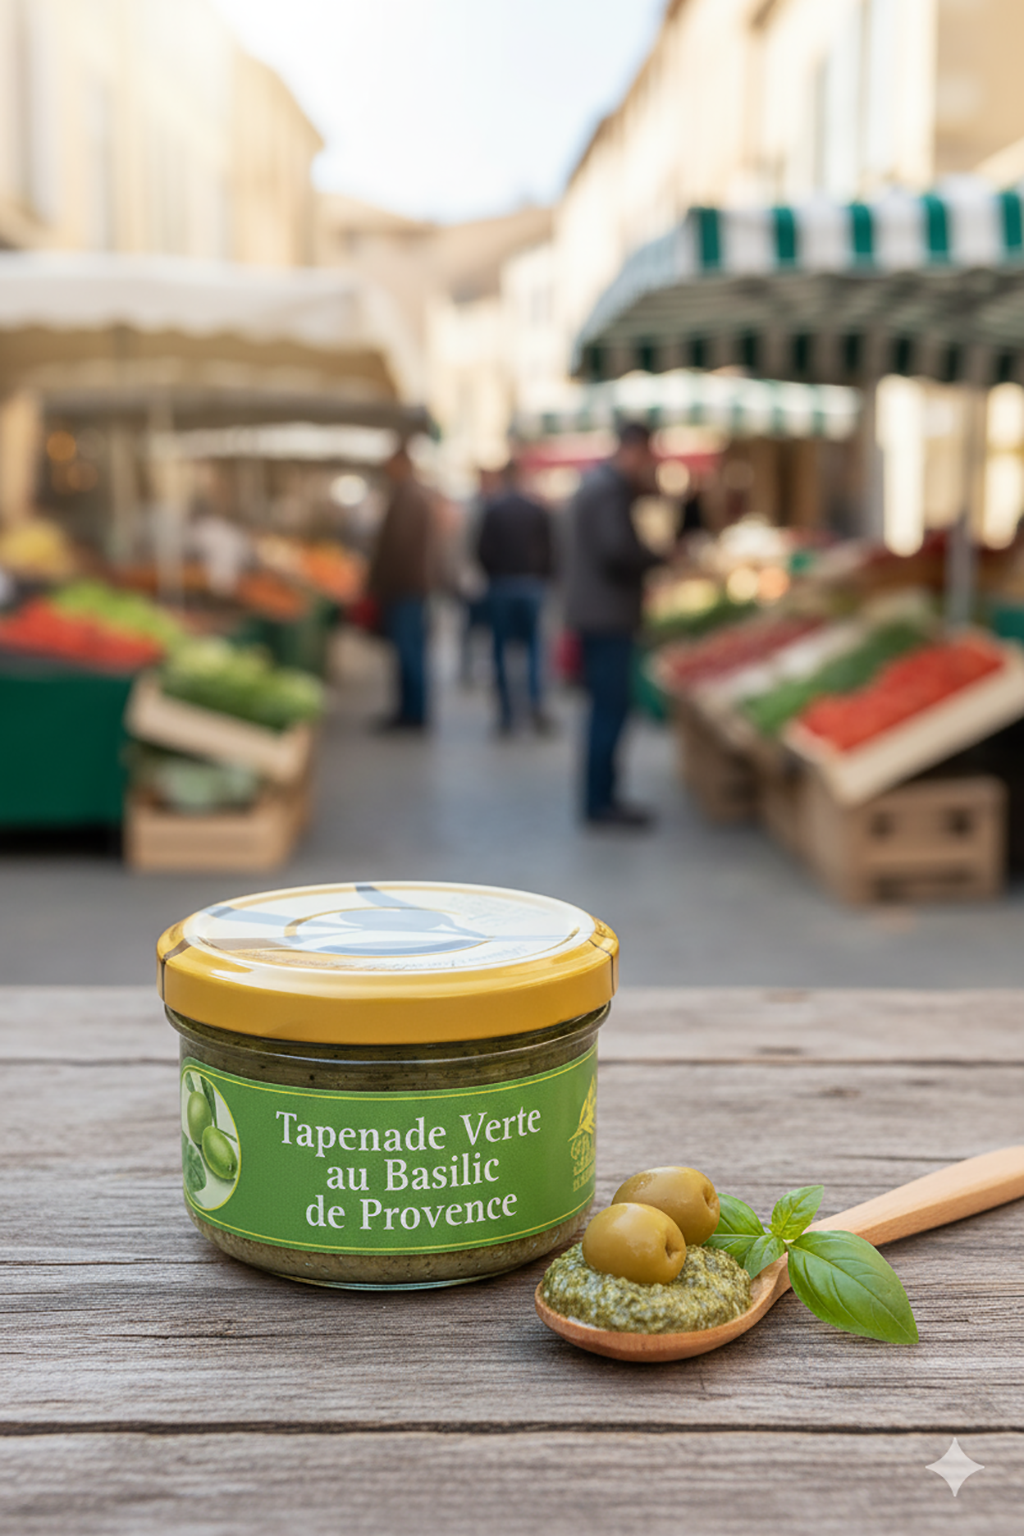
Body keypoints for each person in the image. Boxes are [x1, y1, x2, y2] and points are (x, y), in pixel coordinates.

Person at [563, 422, 665, 827]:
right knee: (609, 709)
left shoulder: (597, 485)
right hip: (607, 615)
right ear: (636, 450)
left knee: (605, 708)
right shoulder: (609, 490)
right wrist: (657, 558)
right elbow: (617, 552)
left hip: (595, 612)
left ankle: (600, 797)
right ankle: (601, 802)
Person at [476, 461, 556, 734]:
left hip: (502, 585)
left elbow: (482, 550)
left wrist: (494, 574)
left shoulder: (493, 509)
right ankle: (534, 703)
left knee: (500, 650)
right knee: (534, 647)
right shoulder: (536, 509)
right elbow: (551, 549)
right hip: (531, 584)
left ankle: (506, 712)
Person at [366, 446, 435, 730]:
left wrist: (379, 583)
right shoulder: (409, 494)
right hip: (407, 587)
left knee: (409, 653)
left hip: (405, 588)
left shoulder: (409, 496)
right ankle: (409, 711)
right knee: (408, 653)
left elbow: (400, 548)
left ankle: (413, 713)